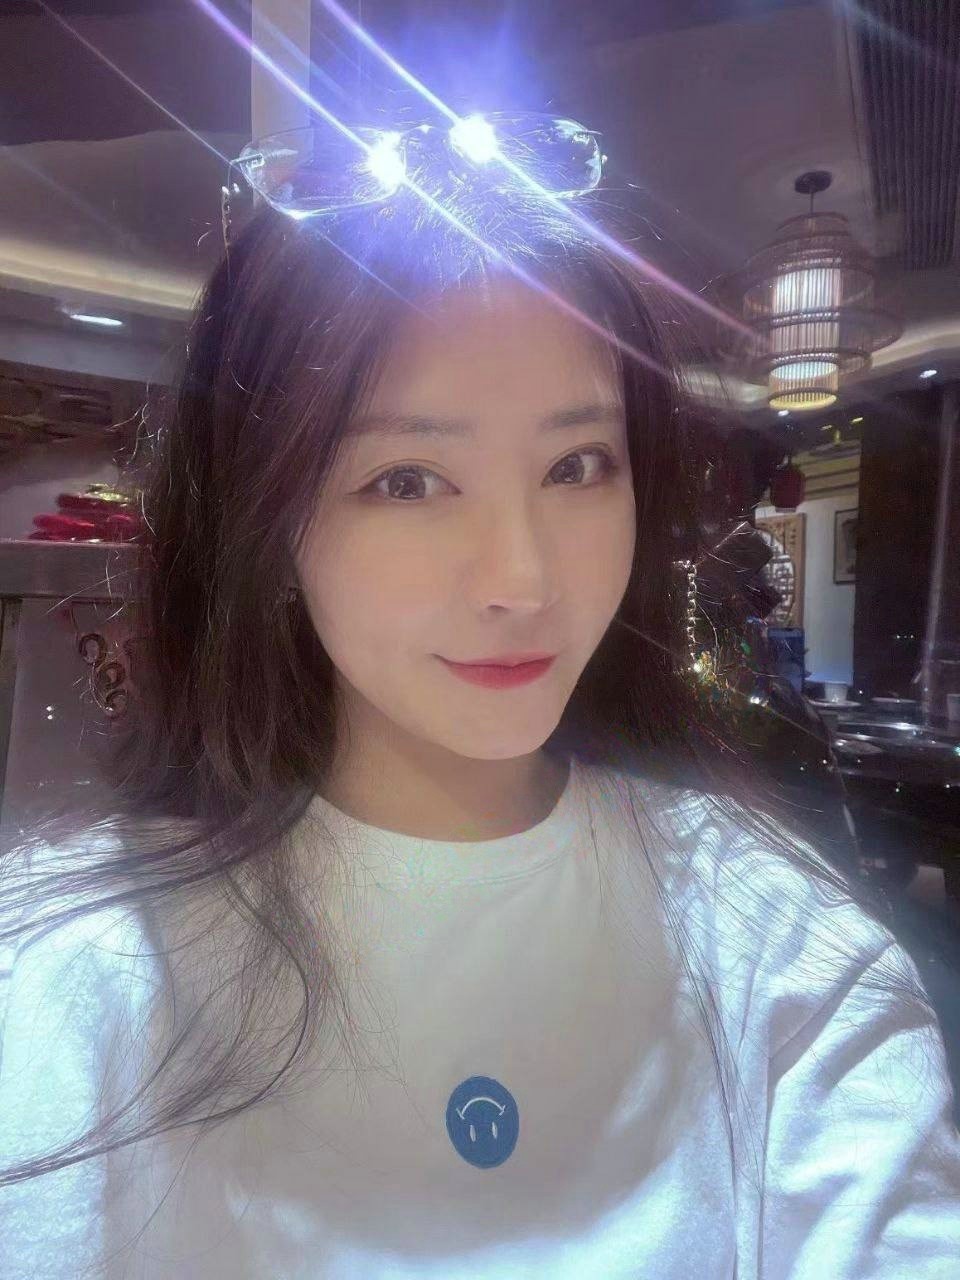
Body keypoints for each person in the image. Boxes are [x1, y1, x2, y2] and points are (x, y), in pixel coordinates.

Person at [2, 113, 959, 1279]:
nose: (524, 579)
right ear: (270, 523)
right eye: (408, 480)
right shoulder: (68, 975)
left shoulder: (773, 945)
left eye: (576, 466)